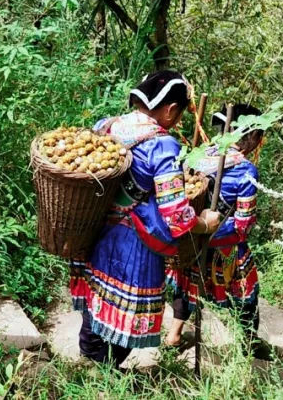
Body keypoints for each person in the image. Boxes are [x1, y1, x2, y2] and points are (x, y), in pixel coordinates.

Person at [70, 70, 222, 366]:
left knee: (97, 302)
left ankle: (88, 361)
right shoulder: (163, 146)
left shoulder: (110, 125)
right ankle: (103, 371)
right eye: (178, 115)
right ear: (170, 109)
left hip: (100, 231)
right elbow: (176, 214)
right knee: (123, 320)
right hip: (134, 244)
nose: (177, 121)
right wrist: (205, 223)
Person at [166, 103, 271, 358]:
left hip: (188, 240)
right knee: (247, 291)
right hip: (220, 246)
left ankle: (174, 334)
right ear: (253, 137)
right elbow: (243, 224)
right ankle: (249, 342)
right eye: (259, 136)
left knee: (186, 285)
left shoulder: (197, 155)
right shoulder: (246, 170)